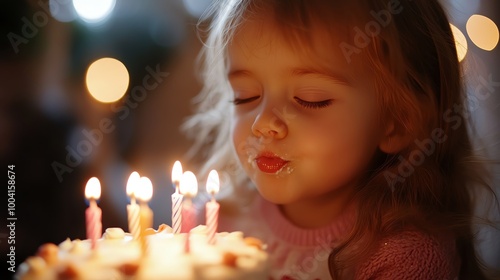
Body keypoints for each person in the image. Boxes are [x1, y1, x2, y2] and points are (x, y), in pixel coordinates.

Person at [183, 0, 498, 279]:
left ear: (397, 122)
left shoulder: (404, 257)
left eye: (310, 99)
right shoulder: (212, 223)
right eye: (245, 96)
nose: (263, 124)